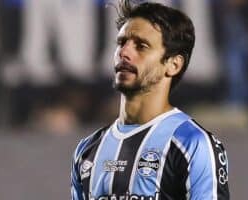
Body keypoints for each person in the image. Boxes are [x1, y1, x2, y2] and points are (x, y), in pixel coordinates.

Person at [71, 1, 230, 199]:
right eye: (121, 43)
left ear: (173, 65)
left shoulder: (192, 143)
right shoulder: (87, 150)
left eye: (141, 46)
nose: (124, 53)